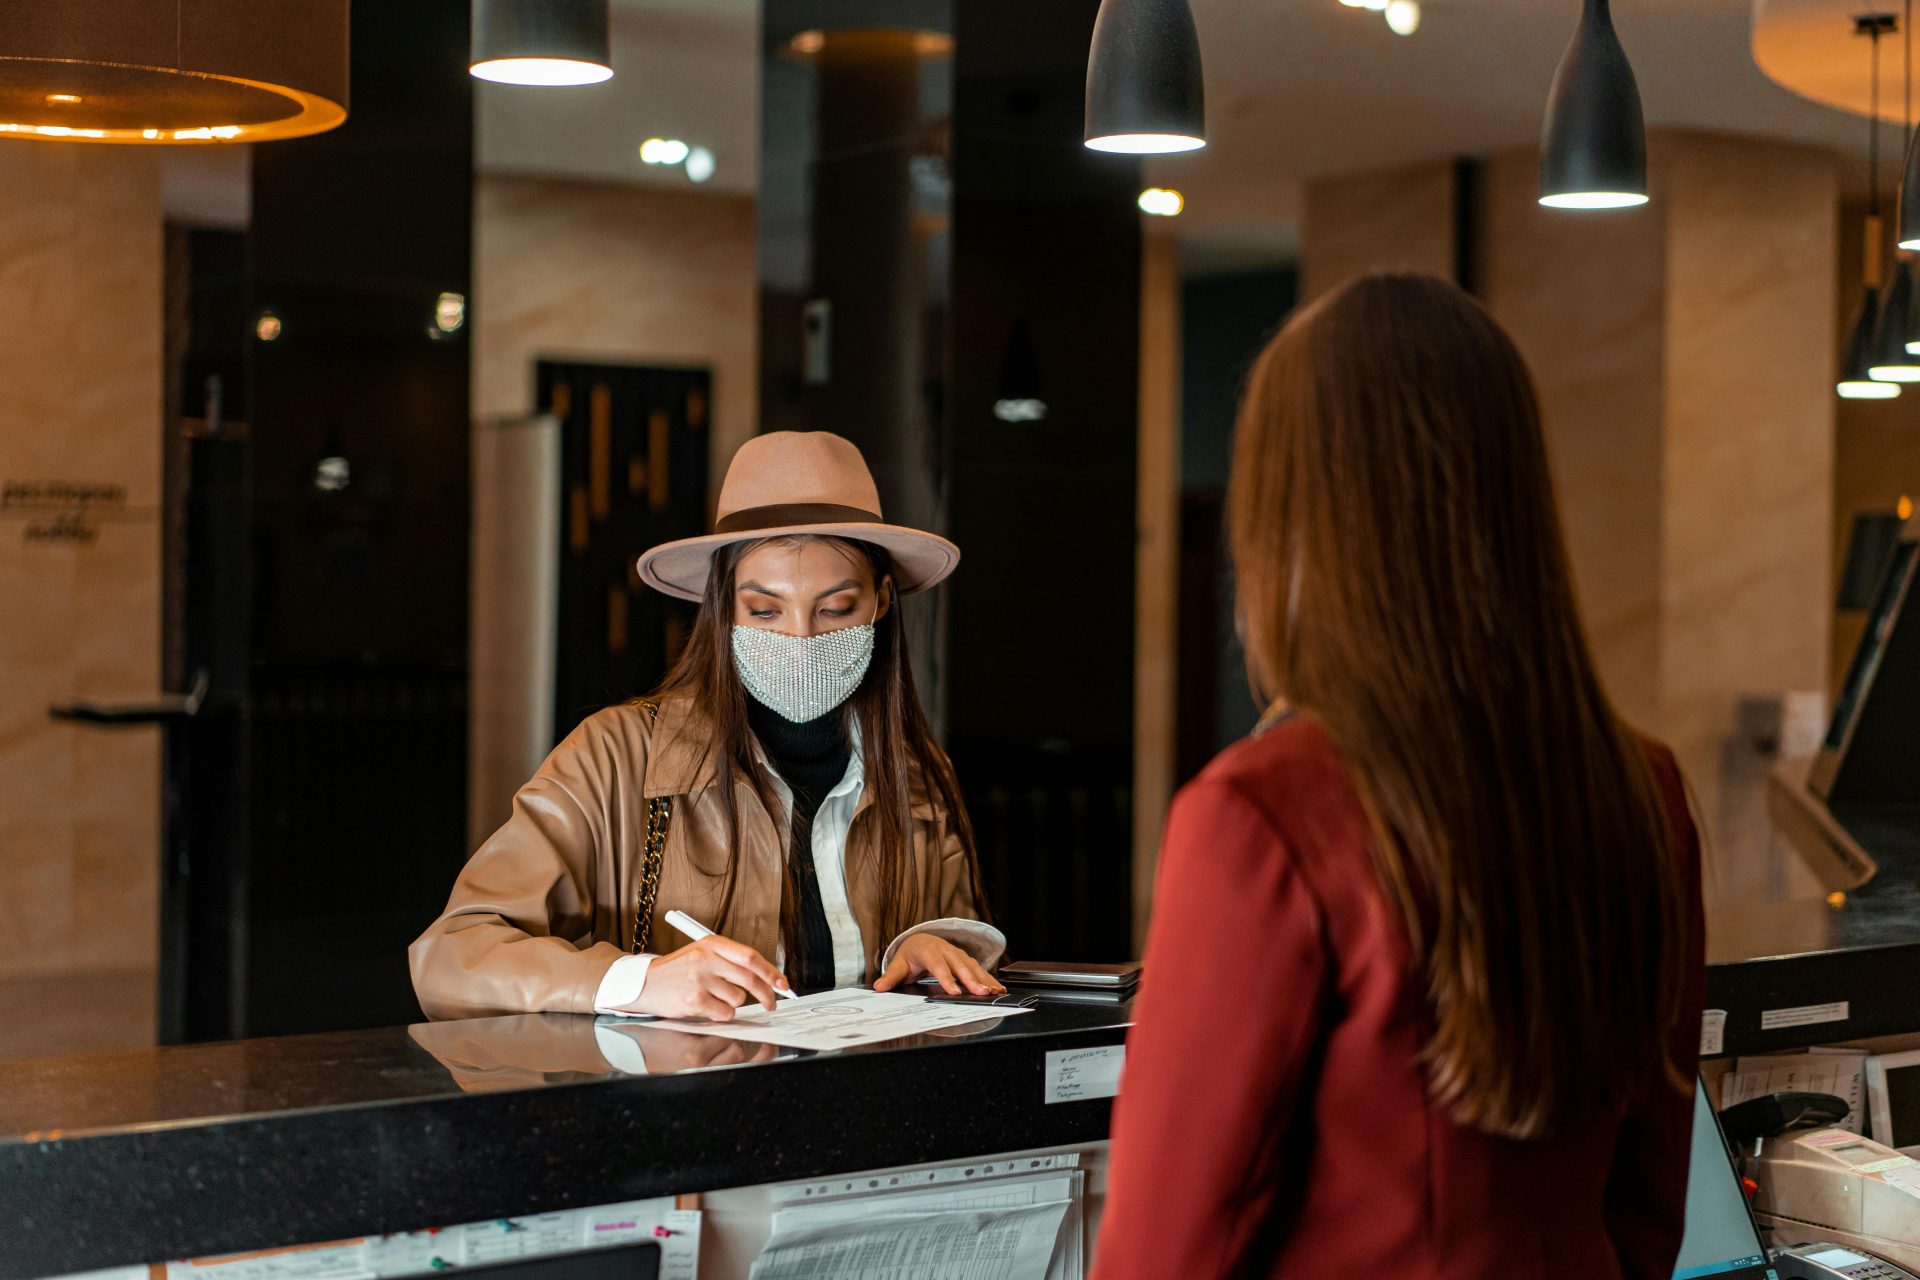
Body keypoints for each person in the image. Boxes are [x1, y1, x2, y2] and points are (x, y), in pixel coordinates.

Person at [1092, 274, 1704, 1279]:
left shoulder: (1261, 812)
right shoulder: (1643, 786)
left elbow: (1165, 1250)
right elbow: (1647, 1209)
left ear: (1290, 511)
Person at [410, 431, 1006, 1023]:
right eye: (765, 610)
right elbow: (451, 955)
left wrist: (924, 948)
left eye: (835, 608)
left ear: (880, 601)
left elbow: (954, 934)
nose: (800, 638)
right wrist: (638, 981)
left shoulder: (916, 769)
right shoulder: (613, 755)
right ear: (721, 608)